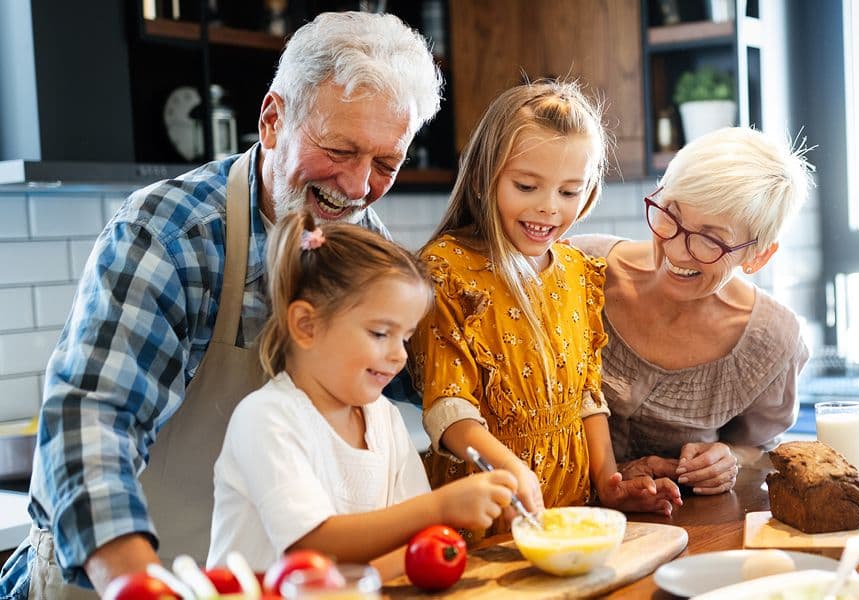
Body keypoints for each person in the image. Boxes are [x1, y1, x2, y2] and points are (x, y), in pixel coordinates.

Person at [0, 12, 442, 599]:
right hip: (122, 574)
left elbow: (435, 376)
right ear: (272, 120)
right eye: (340, 148)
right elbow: (93, 419)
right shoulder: (172, 233)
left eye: (387, 164)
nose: (360, 186)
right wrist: (134, 582)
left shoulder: (368, 251)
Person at [409, 79, 682, 542]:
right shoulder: (446, 268)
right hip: (485, 519)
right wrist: (513, 470)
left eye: (569, 191)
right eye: (527, 185)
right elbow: (448, 409)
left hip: (573, 512)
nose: (548, 208)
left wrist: (608, 484)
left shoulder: (579, 271)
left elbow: (585, 395)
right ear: (482, 176)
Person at [207, 212, 515, 578]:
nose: (400, 354)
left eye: (405, 337)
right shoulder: (266, 418)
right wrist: (442, 507)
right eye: (380, 333)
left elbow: (405, 546)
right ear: (307, 325)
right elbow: (310, 549)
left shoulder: (383, 417)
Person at [570, 126, 812, 495]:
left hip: (687, 535)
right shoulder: (576, 269)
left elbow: (757, 448)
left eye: (711, 239)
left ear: (758, 255)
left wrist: (727, 458)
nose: (678, 251)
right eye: (670, 213)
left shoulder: (772, 339)